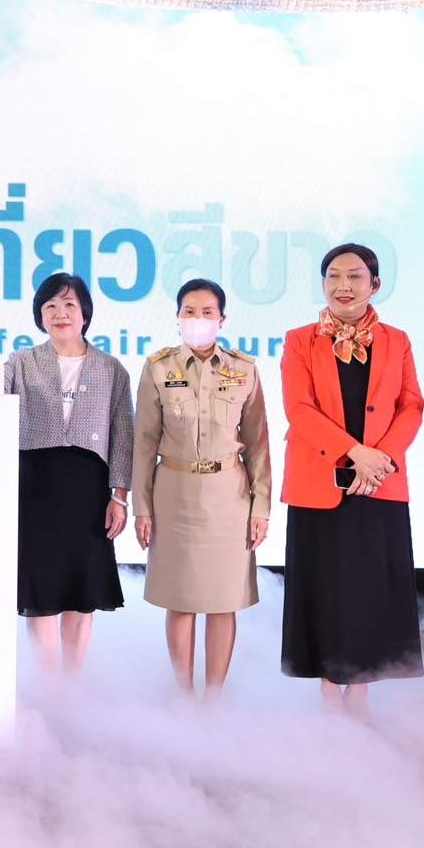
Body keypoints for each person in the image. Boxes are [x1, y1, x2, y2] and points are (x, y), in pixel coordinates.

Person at [279, 242, 424, 718]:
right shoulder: (300, 340)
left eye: (355, 276)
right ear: (323, 284)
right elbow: (299, 408)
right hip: (319, 482)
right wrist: (355, 453)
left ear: (374, 284)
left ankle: (360, 690)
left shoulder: (397, 340)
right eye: (334, 276)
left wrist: (379, 460)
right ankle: (328, 688)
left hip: (380, 482)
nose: (344, 285)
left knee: (371, 587)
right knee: (322, 586)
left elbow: (411, 406)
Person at [133, 278, 271, 702]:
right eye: (189, 311)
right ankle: (184, 694)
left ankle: (213, 697)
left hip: (230, 497)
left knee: (223, 601)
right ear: (177, 317)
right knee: (180, 599)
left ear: (222, 319)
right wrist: (141, 507)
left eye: (207, 312)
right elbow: (144, 443)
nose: (198, 319)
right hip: (174, 495)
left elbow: (259, 444)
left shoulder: (244, 369)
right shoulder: (159, 367)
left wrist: (261, 508)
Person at [2, 272, 133, 672]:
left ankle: (72, 683)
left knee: (81, 588)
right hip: (34, 488)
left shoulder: (112, 368)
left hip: (88, 492)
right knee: (40, 589)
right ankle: (47, 684)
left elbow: (123, 435)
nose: (60, 313)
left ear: (85, 314)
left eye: (69, 304)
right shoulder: (20, 362)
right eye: (51, 306)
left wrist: (120, 496)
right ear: (40, 316)